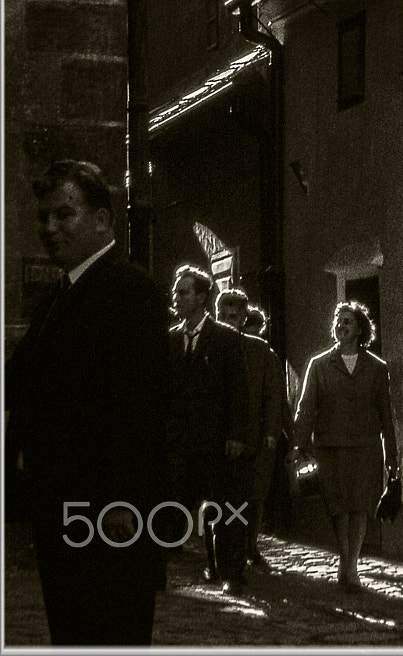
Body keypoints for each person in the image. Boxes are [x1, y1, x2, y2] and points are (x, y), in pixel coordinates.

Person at [5, 160, 171, 646]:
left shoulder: (128, 290)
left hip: (106, 512)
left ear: (103, 220)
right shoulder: (62, 293)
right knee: (74, 629)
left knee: (108, 630)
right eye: (44, 217)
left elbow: (142, 400)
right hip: (63, 501)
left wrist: (122, 500)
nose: (50, 228)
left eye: (64, 214)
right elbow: (22, 380)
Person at [292, 300, 398, 595]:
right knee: (339, 507)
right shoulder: (321, 365)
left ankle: (351, 566)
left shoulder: (377, 368)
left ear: (360, 328)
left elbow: (386, 414)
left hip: (365, 447)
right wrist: (299, 445)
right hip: (331, 446)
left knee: (360, 506)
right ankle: (346, 557)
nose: (341, 326)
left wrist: (392, 456)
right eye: (338, 321)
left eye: (347, 321)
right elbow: (306, 407)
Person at [166, 264, 251, 590]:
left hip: (215, 441)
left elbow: (238, 390)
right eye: (176, 291)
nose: (176, 297)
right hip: (178, 440)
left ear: (201, 297)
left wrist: (236, 435)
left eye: (183, 292)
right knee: (169, 503)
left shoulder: (225, 339)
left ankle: (232, 573)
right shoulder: (170, 340)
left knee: (227, 510)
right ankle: (160, 568)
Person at [215, 287, 288, 569]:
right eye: (224, 314)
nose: (228, 320)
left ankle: (249, 544)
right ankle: (224, 550)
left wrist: (271, 432)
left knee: (253, 496)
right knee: (222, 497)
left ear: (244, 317)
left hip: (254, 438)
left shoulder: (259, 351)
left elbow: (273, 395)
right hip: (219, 435)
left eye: (234, 315)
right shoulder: (209, 344)